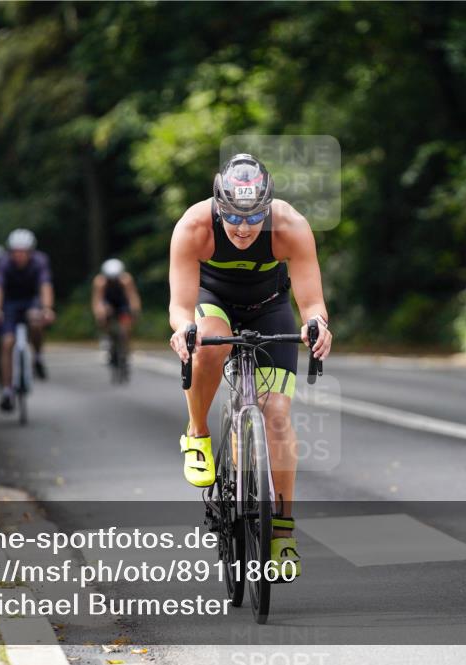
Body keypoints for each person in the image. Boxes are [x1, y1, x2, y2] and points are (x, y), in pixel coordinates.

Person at [167, 153, 332, 580]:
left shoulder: (291, 226)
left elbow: (311, 302)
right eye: (233, 217)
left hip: (269, 308)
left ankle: (281, 533)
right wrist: (185, 329)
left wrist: (317, 325)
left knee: (276, 415)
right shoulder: (194, 226)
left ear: (268, 208)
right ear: (219, 206)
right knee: (209, 345)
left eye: (254, 217)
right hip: (213, 302)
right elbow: (181, 306)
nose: (242, 228)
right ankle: (197, 434)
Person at [0, 229, 55, 412]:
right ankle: (7, 390)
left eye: (24, 251)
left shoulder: (40, 262)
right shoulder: (3, 264)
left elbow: (45, 286)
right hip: (10, 303)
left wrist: (47, 308)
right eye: (16, 252)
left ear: (31, 251)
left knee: (36, 321)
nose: (20, 256)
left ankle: (38, 356)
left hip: (31, 300)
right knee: (7, 342)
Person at [91, 257, 141, 365]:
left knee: (126, 326)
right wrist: (99, 313)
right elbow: (97, 300)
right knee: (103, 315)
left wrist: (135, 311)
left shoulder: (126, 280)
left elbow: (132, 296)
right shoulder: (100, 282)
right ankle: (107, 336)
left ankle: (125, 346)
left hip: (122, 303)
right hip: (108, 303)